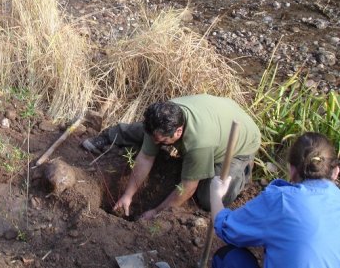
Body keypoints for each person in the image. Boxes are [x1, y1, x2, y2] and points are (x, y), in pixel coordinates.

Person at [81, 94, 261, 219]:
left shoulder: (199, 143)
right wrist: (128, 195)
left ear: (178, 131)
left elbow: (188, 187)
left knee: (208, 198)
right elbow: (145, 157)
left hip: (240, 141)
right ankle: (109, 136)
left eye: (161, 141)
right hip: (218, 114)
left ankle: (242, 173)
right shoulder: (166, 115)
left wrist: (157, 211)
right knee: (147, 134)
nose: (156, 143)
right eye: (156, 140)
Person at [210, 132, 340, 268]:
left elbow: (227, 229)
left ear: (292, 170)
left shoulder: (282, 201)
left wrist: (216, 195)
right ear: (335, 172)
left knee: (229, 257)